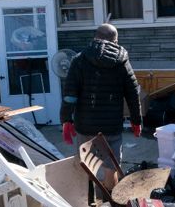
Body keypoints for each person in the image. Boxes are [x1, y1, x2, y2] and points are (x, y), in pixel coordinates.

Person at [61, 23, 142, 161]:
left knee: (86, 167)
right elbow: (133, 94)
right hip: (112, 127)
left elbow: (70, 95)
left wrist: (66, 119)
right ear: (115, 41)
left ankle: (89, 183)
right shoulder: (122, 62)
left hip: (85, 126)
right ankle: (111, 183)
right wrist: (136, 120)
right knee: (112, 167)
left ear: (95, 38)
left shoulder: (79, 60)